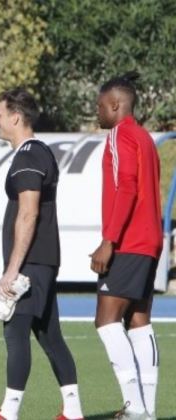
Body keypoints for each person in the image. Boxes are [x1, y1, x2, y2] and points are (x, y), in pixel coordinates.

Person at [0, 88, 84, 420]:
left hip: (31, 263)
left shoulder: (28, 156)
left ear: (16, 117)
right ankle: (73, 410)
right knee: (49, 334)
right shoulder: (37, 152)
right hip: (41, 261)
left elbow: (29, 214)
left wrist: (12, 269)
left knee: (15, 331)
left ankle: (9, 413)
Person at [90, 72, 162, 420]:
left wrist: (109, 241)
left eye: (100, 106)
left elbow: (127, 187)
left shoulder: (121, 135)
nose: (97, 111)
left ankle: (135, 406)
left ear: (116, 105)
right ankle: (146, 407)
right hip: (150, 242)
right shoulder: (146, 138)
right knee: (139, 322)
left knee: (106, 321)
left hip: (129, 242)